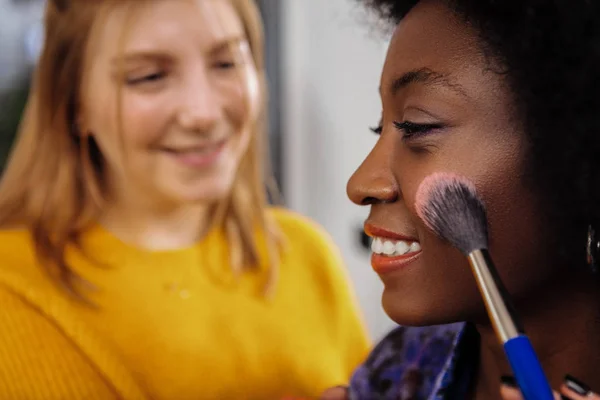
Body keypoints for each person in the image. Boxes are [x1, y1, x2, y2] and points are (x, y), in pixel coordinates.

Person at [0, 0, 370, 399]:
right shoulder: (12, 285)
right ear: (74, 103)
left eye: (227, 63)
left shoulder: (306, 256)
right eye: (150, 76)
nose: (204, 113)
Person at [321, 0, 600, 399]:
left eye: (418, 125)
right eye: (378, 127)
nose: (361, 183)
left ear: (580, 151)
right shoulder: (400, 370)